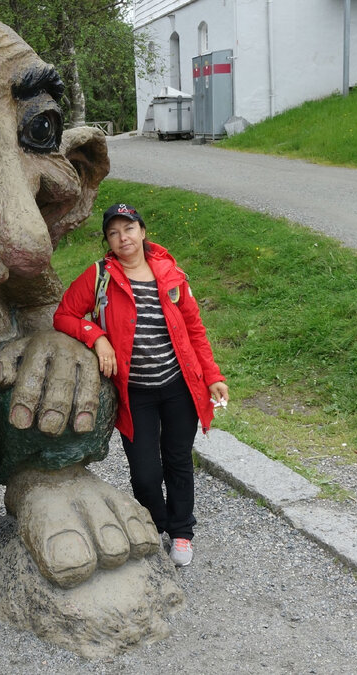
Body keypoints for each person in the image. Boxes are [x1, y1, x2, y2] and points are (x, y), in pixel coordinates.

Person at [54, 203, 230, 567]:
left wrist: (213, 376)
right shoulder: (100, 276)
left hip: (178, 385)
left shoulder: (171, 274)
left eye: (129, 229)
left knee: (178, 460)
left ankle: (181, 533)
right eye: (114, 233)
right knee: (146, 473)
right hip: (135, 394)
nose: (123, 238)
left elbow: (195, 331)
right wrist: (96, 336)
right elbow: (65, 315)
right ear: (108, 241)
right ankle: (157, 523)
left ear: (143, 231)